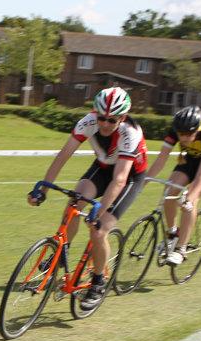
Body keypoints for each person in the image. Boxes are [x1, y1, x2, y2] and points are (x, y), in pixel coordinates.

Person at [28, 86, 148, 310]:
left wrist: (100, 214)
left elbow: (120, 179)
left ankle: (98, 282)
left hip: (129, 176)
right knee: (74, 203)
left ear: (122, 118)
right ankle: (62, 255)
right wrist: (42, 190)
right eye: (101, 117)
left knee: (98, 230)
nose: (104, 124)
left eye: (111, 120)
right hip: (102, 168)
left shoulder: (130, 133)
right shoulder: (88, 122)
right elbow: (63, 156)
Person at [145, 105, 201, 266]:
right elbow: (161, 159)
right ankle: (172, 233)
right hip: (192, 158)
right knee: (170, 189)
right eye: (181, 134)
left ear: (197, 129)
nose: (183, 138)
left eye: (189, 134)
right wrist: (145, 180)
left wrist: (190, 198)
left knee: (191, 197)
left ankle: (181, 249)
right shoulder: (175, 130)